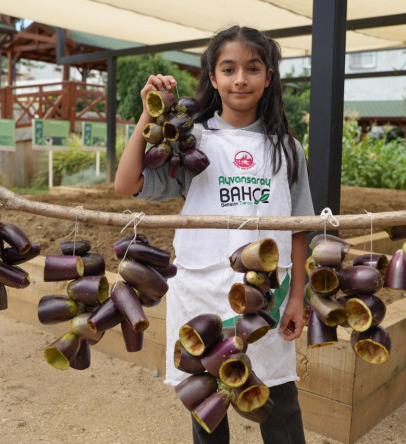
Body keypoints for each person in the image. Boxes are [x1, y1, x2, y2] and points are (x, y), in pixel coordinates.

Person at [115, 25, 314, 444]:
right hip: (201, 295)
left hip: (267, 298)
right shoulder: (192, 143)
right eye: (228, 69)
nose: (240, 79)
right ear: (212, 78)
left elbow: (300, 225)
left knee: (279, 402)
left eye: (252, 68)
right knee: (207, 404)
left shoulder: (287, 149)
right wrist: (149, 113)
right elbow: (126, 183)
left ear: (269, 77)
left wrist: (297, 296)